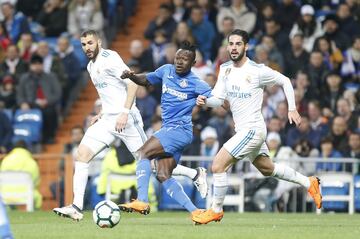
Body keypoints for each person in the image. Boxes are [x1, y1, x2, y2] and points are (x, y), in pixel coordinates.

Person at [53, 30, 208, 221]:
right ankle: (76, 206)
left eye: (90, 43)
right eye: (83, 44)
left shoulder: (110, 58)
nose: (87, 47)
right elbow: (109, 93)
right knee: (82, 155)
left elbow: (132, 83)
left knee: (150, 163)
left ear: (99, 42)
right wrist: (101, 112)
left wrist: (124, 113)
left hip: (126, 119)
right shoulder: (91, 67)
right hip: (108, 119)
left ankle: (194, 174)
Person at [193, 29, 322, 225]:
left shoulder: (257, 71)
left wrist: (292, 109)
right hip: (245, 130)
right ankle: (309, 182)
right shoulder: (225, 69)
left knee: (217, 165)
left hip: (252, 129)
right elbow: (218, 99)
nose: (234, 47)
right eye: (231, 44)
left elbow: (285, 81)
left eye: (238, 44)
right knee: (267, 168)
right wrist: (205, 101)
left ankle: (215, 210)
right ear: (227, 46)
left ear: (246, 47)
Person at [118, 41, 212, 221]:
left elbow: (215, 99)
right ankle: (196, 212)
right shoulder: (166, 70)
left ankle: (142, 200)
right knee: (163, 175)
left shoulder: (196, 82)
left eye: (185, 59)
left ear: (192, 64)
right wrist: (133, 76)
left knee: (143, 152)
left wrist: (205, 101)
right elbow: (146, 79)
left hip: (179, 129)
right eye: (178, 57)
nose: (179, 61)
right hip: (171, 130)